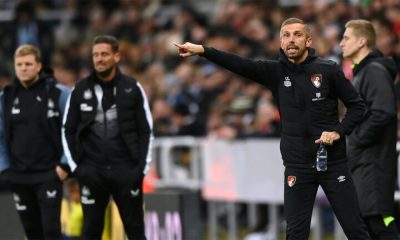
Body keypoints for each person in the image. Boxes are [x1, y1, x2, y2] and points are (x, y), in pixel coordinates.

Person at [175, 17, 371, 239]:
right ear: (280, 42)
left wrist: (338, 131)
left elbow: (357, 106)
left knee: (355, 230)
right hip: (297, 167)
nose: (291, 40)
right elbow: (239, 63)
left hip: (332, 163)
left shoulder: (328, 70)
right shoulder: (275, 72)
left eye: (297, 35)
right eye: (286, 35)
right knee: (295, 234)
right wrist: (203, 50)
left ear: (308, 41)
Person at [62, 35, 153, 240]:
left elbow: (146, 129)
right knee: (91, 231)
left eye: (104, 54)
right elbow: (67, 129)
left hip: (126, 171)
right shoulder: (80, 89)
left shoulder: (132, 88)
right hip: (92, 172)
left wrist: (140, 169)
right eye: (95, 55)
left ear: (116, 56)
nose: (99, 59)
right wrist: (77, 168)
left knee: (135, 230)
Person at [0, 44, 71, 239]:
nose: (23, 68)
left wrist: (65, 165)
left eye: (28, 64)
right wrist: (5, 169)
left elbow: (72, 130)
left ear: (39, 66)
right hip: (19, 176)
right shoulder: (5, 97)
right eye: (19, 64)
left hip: (49, 173)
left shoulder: (59, 93)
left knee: (51, 231)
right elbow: (0, 136)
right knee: (32, 232)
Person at [340, 19, 399, 239]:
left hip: (373, 165)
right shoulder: (364, 73)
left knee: (380, 223)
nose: (341, 43)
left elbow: (383, 112)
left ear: (362, 41)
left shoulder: (373, 71)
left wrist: (356, 138)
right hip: (364, 164)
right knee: (370, 223)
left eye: (346, 38)